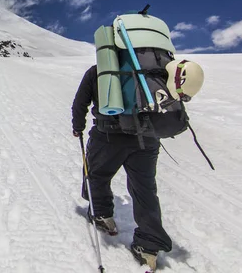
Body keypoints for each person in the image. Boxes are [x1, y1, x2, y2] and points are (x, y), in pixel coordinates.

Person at [71, 65, 171, 271]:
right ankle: (149, 246)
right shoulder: (153, 67)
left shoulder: (99, 70)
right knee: (144, 189)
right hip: (147, 138)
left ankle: (102, 215)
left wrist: (77, 126)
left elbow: (80, 102)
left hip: (109, 135)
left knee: (97, 175)